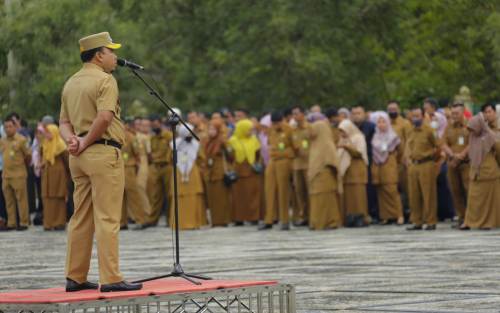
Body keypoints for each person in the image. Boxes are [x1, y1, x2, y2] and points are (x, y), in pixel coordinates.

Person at [59, 32, 142, 292]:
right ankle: (111, 278)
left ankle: (75, 276)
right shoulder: (105, 80)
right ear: (98, 55)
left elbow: (63, 123)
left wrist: (73, 141)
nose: (115, 56)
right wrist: (84, 142)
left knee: (80, 216)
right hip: (103, 152)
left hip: (79, 158)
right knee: (107, 217)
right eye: (111, 51)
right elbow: (105, 118)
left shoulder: (71, 82)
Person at [460, 113, 500, 230]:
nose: (471, 130)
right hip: (475, 173)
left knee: (488, 202)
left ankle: (487, 223)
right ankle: (469, 222)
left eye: (473, 127)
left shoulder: (491, 136)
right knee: (473, 199)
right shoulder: (473, 138)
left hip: (489, 173)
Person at [259, 111, 295, 230]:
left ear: (283, 120)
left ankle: (284, 220)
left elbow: (295, 148)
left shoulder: (289, 130)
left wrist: (283, 153)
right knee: (269, 190)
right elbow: (269, 145)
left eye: (278, 123)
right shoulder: (271, 130)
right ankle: (269, 219)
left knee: (283, 190)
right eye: (273, 123)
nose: (276, 125)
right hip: (272, 161)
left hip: (284, 161)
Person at [406, 107, 439, 231]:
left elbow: (437, 147)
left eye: (417, 116)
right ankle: (417, 221)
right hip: (414, 165)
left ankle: (431, 221)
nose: (415, 118)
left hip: (426, 164)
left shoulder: (429, 130)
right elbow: (408, 147)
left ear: (423, 116)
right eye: (413, 116)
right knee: (414, 195)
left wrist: (432, 160)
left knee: (428, 194)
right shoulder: (411, 131)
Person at [170, 123, 207, 230]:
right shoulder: (174, 144)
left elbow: (202, 158)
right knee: (179, 197)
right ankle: (180, 223)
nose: (190, 136)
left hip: (193, 173)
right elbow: (170, 159)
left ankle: (195, 223)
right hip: (178, 173)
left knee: (194, 196)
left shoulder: (196, 144)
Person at [370, 112, 404, 225]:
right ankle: (386, 216)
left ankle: (399, 215)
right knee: (381, 191)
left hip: (390, 163)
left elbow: (400, 151)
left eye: (383, 121)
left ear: (388, 122)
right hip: (378, 166)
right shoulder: (375, 136)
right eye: (379, 122)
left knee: (392, 190)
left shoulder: (393, 136)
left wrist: (393, 159)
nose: (381, 124)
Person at [308, 120, 342, 230]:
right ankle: (316, 222)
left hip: (325, 177)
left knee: (326, 200)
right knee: (316, 200)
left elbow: (333, 161)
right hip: (316, 178)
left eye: (313, 129)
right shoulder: (314, 143)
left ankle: (330, 222)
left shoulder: (327, 144)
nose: (311, 132)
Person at [228, 119, 262, 225]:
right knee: (238, 196)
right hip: (238, 172)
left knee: (253, 195)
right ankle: (239, 219)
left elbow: (258, 154)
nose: (250, 132)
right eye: (248, 130)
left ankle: (254, 218)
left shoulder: (254, 140)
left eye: (251, 130)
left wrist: (257, 164)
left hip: (252, 171)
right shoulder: (233, 140)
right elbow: (230, 157)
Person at [0, 118, 31, 231]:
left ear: (15, 127)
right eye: (5, 127)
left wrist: (22, 167)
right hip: (6, 175)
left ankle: (24, 222)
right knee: (9, 201)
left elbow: (28, 156)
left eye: (10, 126)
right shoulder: (2, 140)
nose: (8, 129)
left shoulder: (22, 140)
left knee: (21, 200)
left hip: (18, 174)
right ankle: (11, 223)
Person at [441, 103, 470, 226]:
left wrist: (461, 155)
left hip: (466, 164)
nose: (454, 116)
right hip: (452, 163)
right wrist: (452, 155)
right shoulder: (448, 127)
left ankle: (471, 218)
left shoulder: (469, 125)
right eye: (452, 113)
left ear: (463, 112)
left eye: (456, 113)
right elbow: (443, 143)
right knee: (455, 191)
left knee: (468, 190)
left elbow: (473, 143)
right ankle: (461, 217)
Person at [337, 119, 369, 226]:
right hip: (346, 174)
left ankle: (361, 219)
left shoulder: (359, 138)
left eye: (343, 131)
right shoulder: (342, 140)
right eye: (340, 131)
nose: (342, 133)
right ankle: (350, 219)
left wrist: (346, 147)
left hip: (357, 172)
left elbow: (359, 153)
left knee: (358, 197)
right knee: (349, 198)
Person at [39, 117, 69, 231]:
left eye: (48, 132)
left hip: (58, 176)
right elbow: (43, 159)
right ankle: (48, 223)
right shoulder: (45, 144)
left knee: (58, 199)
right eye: (46, 132)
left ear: (54, 132)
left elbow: (67, 161)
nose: (46, 135)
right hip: (47, 175)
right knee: (47, 199)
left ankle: (59, 223)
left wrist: (69, 175)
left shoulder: (61, 145)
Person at [351, 105, 378, 223]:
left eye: (359, 113)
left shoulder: (371, 127)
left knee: (370, 188)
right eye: (354, 113)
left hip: (369, 160)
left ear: (364, 114)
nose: (356, 116)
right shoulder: (349, 127)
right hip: (354, 162)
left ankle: (373, 213)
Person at [120, 119, 149, 230]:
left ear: (125, 125)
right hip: (117, 169)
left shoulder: (131, 137)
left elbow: (137, 154)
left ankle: (141, 219)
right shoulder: (113, 135)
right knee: (120, 196)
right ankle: (122, 222)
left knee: (133, 195)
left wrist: (136, 167)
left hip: (129, 168)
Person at [203, 118, 231, 226]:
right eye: (209, 129)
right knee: (212, 198)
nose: (211, 131)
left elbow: (230, 156)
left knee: (221, 198)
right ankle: (214, 221)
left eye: (213, 129)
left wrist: (226, 146)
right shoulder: (207, 141)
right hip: (210, 173)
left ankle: (223, 220)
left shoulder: (222, 140)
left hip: (220, 173)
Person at [146, 115, 172, 226]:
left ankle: (170, 220)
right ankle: (152, 220)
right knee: (155, 195)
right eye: (152, 125)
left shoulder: (168, 136)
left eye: (156, 124)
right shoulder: (152, 138)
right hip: (156, 167)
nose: (154, 126)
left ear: (161, 123)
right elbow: (150, 153)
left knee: (169, 194)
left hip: (167, 166)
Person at [291, 106, 310, 226]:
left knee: (310, 191)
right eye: (293, 114)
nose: (295, 116)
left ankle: (313, 215)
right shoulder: (293, 130)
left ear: (303, 114)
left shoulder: (309, 128)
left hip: (308, 163)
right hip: (297, 164)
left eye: (297, 114)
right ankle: (303, 216)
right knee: (299, 191)